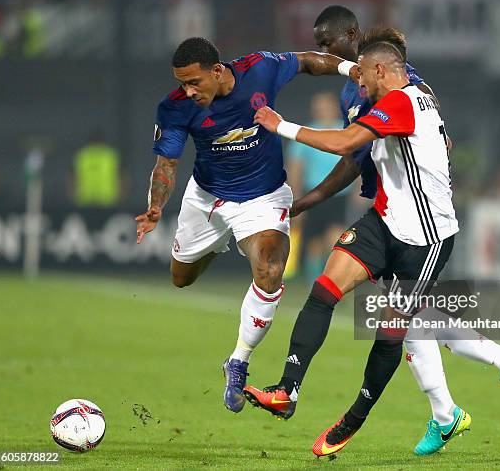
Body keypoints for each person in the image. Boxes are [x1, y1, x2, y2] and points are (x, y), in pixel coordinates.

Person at [244, 27, 500, 456]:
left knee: (394, 330)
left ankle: (356, 419)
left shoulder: (401, 100)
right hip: (384, 220)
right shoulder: (408, 95)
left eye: (362, 73)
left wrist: (281, 126)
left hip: (426, 240)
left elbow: (348, 144)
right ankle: (287, 389)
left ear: (380, 69)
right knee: (326, 290)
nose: (356, 81)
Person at [135, 36, 359, 414]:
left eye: (194, 82)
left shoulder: (260, 69)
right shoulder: (173, 108)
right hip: (207, 198)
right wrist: (156, 206)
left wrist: (347, 68)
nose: (188, 91)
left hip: (264, 197)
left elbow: (307, 60)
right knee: (181, 278)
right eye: (181, 84)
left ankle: (238, 361)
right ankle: (217, 243)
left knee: (271, 268)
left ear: (217, 70)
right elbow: (167, 164)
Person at [286, 92, 348, 281]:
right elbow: (295, 168)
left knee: (335, 239)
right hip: (313, 195)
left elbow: (357, 162)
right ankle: (315, 282)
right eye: (319, 106)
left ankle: (332, 280)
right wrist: (296, 198)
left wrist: (360, 192)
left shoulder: (345, 131)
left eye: (327, 105)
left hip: (338, 196)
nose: (323, 110)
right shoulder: (306, 133)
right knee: (314, 243)